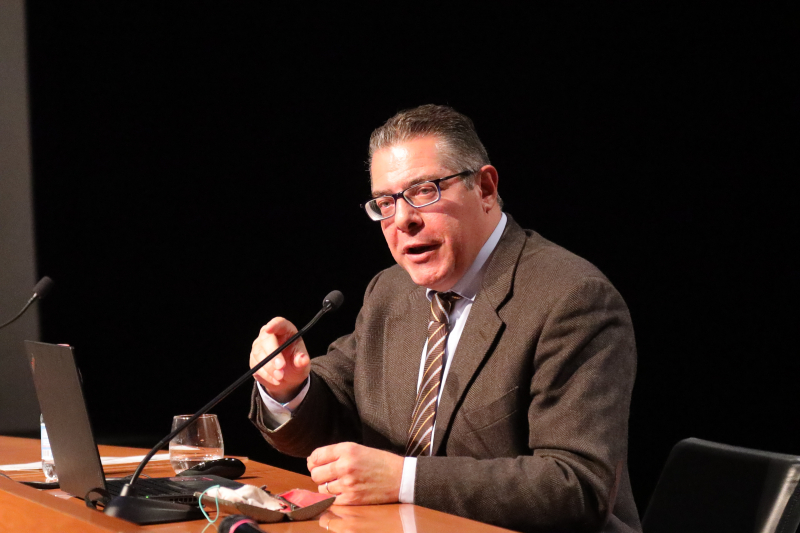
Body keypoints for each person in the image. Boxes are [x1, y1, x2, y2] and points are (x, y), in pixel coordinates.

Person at [248, 104, 642, 533]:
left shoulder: (572, 298)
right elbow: (336, 404)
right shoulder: (391, 291)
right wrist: (289, 387)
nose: (403, 220)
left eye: (424, 191)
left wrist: (404, 480)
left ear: (485, 188)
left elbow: (577, 486)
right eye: (386, 202)